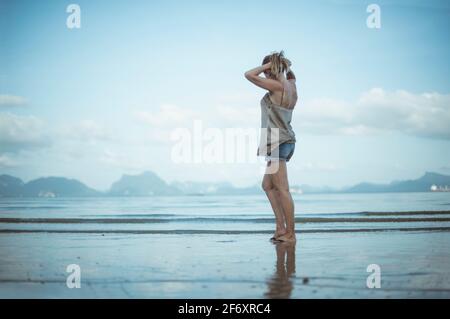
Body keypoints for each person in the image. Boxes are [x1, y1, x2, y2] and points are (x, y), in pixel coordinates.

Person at [244, 50, 298, 243]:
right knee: (267, 185)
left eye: (267, 71)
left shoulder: (276, 86)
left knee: (282, 189)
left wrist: (269, 66)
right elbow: (292, 76)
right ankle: (280, 227)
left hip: (277, 142)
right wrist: (285, 66)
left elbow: (249, 75)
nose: (265, 75)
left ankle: (290, 234)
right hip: (285, 141)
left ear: (272, 69)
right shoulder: (292, 86)